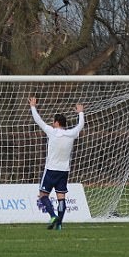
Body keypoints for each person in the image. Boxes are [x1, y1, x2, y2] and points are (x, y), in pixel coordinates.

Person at [28, 97, 84, 230]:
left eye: (53, 122)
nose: (52, 124)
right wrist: (81, 112)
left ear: (57, 123)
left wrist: (33, 107)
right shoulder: (71, 134)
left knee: (43, 196)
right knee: (61, 198)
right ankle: (59, 224)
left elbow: (38, 120)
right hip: (64, 171)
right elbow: (80, 125)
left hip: (51, 170)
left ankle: (53, 216)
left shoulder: (52, 132)